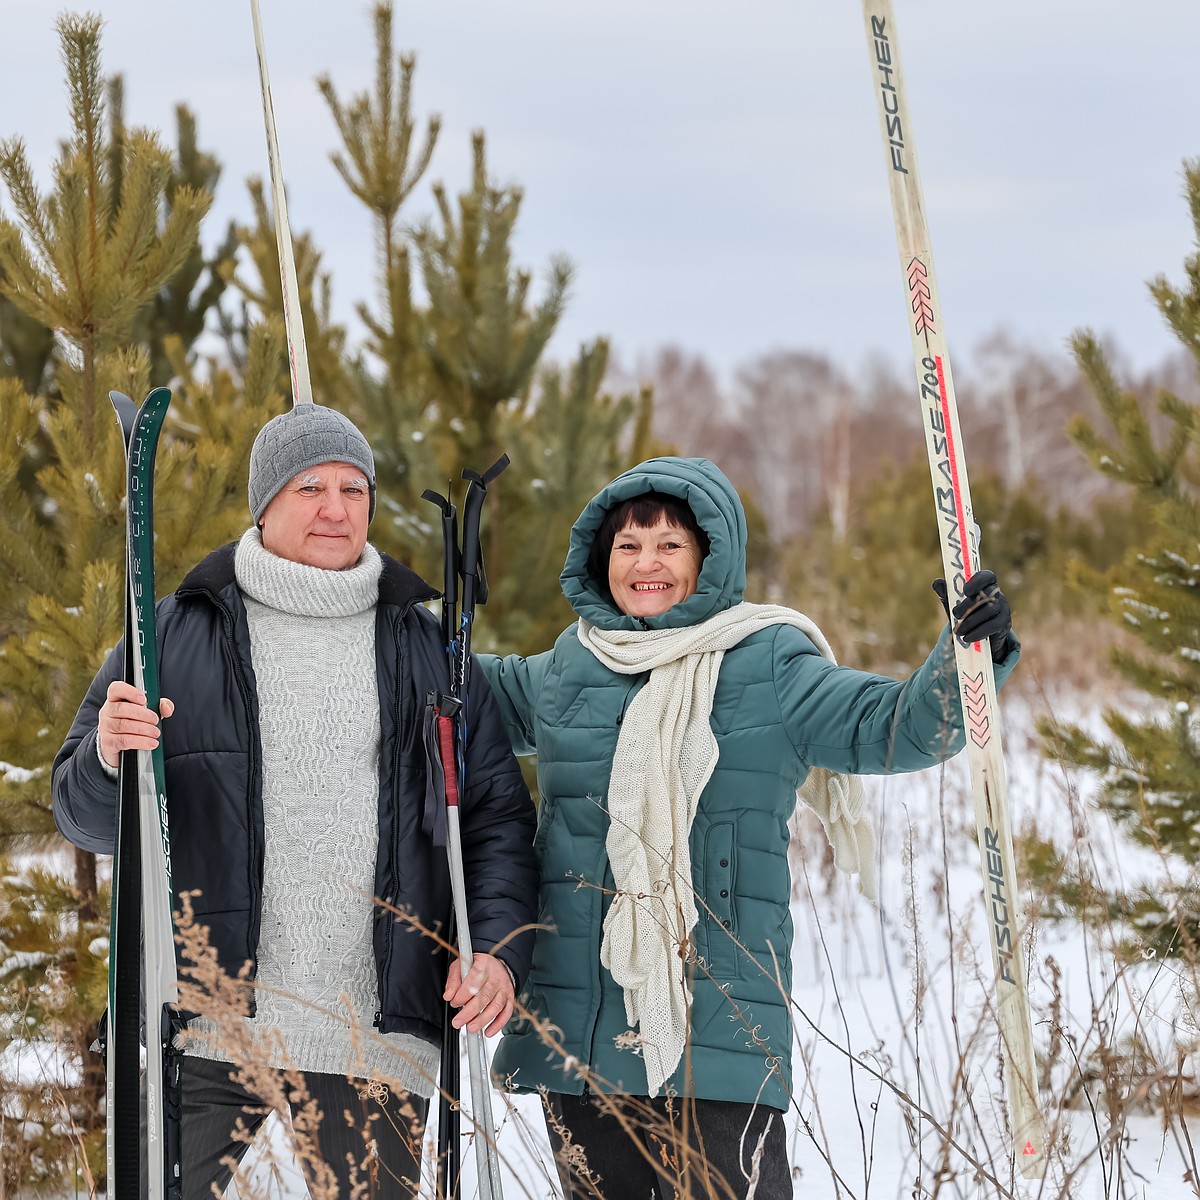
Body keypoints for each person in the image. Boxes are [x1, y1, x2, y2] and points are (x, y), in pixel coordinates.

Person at [477, 456, 1020, 1200]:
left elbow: (897, 727)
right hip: (581, 1021)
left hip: (722, 1020)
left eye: (669, 544)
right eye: (628, 546)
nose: (646, 564)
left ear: (710, 556)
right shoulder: (572, 665)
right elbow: (457, 698)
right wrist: (391, 625)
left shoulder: (769, 661)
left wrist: (965, 656)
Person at [52, 403, 538, 1199]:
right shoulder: (171, 634)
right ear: (264, 504)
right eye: (310, 486)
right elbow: (83, 818)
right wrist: (107, 757)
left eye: (354, 488)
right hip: (207, 1020)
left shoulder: (430, 653)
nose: (335, 508)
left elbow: (493, 825)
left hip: (375, 1032)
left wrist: (500, 955)